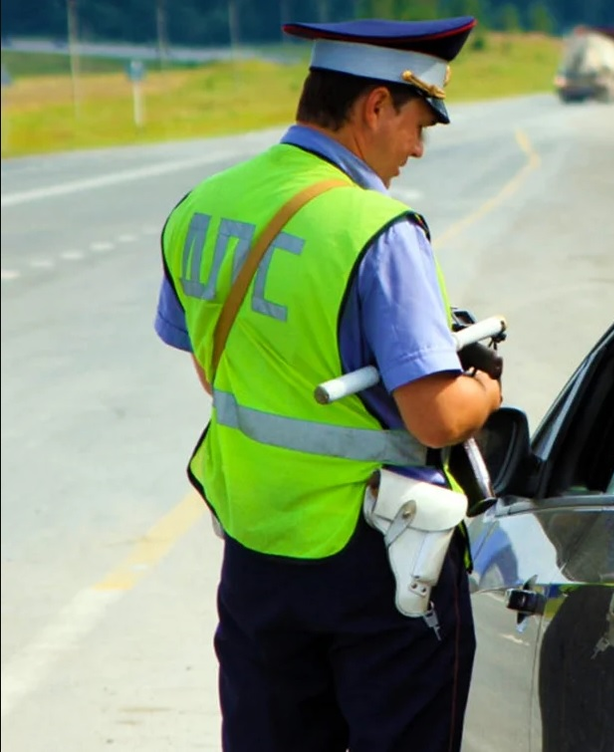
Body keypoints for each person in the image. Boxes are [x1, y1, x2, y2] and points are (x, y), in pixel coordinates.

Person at [152, 15, 501, 752]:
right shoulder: (377, 227)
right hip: (376, 561)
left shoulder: (204, 204)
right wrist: (487, 389)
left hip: (255, 548)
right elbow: (436, 417)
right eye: (416, 123)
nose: (416, 148)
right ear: (375, 106)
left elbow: (214, 370)